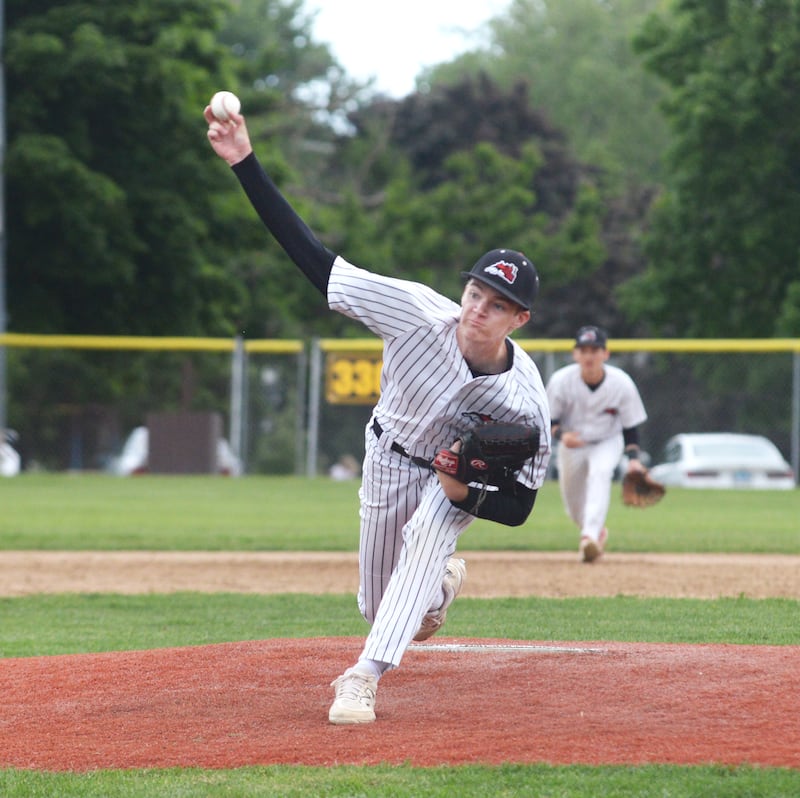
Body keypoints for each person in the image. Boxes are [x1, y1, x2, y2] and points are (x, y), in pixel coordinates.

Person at [205, 104, 551, 724]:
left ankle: (361, 677)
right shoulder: (415, 312)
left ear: (519, 319)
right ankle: (437, 592)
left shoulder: (526, 399)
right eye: (475, 293)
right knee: (381, 603)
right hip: (387, 455)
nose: (478, 310)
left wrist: (463, 492)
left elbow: (521, 508)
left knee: (426, 536)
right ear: (463, 289)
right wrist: (244, 163)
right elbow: (318, 263)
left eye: (497, 305)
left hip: (452, 478)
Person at [546, 326, 648, 562]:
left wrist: (634, 461)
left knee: (600, 474)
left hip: (607, 441)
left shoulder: (622, 383)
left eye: (595, 350)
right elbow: (550, 420)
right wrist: (562, 436)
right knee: (573, 506)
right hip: (573, 444)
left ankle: (588, 538)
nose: (589, 355)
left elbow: (630, 427)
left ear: (606, 354)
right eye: (583, 350)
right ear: (575, 354)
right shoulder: (561, 381)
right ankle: (595, 531)